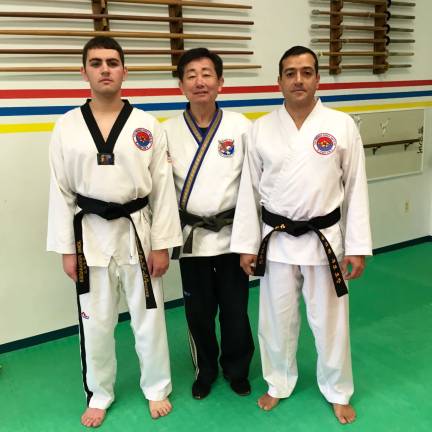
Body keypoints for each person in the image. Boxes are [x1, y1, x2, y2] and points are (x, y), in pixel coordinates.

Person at [231, 46, 372, 424]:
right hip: (275, 239)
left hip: (324, 239)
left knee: (330, 321)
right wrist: (246, 246)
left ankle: (337, 389)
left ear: (317, 79)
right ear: (279, 81)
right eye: (290, 72)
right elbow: (249, 190)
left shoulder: (341, 125)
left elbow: (356, 187)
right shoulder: (260, 128)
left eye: (306, 72)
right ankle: (278, 382)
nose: (298, 79)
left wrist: (357, 247)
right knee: (275, 319)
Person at [47, 36, 182, 427]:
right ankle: (100, 392)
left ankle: (156, 388)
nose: (105, 69)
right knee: (96, 320)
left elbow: (162, 188)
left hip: (138, 232)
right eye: (96, 63)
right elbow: (59, 191)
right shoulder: (67, 126)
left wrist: (163, 245)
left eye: (112, 62)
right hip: (88, 236)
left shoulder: (146, 124)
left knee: (149, 317)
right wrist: (65, 250)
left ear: (124, 70)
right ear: (84, 71)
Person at [163, 48, 254, 400]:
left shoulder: (241, 127)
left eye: (207, 73)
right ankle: (206, 369)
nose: (199, 81)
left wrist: (252, 241)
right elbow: (161, 190)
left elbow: (253, 186)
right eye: (191, 74)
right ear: (181, 85)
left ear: (220, 82)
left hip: (233, 237)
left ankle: (237, 369)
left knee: (235, 309)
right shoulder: (166, 131)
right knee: (198, 312)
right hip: (192, 239)